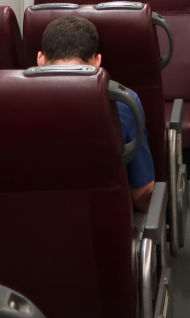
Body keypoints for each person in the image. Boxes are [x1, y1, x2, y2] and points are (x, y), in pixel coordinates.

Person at [37, 15, 156, 212]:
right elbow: (142, 194)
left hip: (27, 231)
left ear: (40, 58)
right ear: (97, 61)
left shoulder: (6, 105)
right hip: (103, 234)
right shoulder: (123, 102)